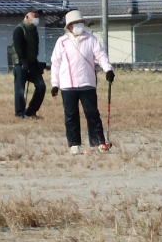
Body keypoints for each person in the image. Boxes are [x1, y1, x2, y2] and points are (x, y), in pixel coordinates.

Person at [49, 10, 114, 154]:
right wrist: (55, 84)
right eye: (76, 23)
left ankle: (98, 141)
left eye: (81, 23)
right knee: (71, 115)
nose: (79, 25)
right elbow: (56, 64)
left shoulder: (91, 39)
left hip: (87, 82)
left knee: (92, 113)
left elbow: (101, 55)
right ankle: (74, 144)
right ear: (70, 26)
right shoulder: (62, 42)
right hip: (68, 84)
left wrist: (108, 69)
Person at [11, 10, 46, 119]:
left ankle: (30, 111)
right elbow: (18, 48)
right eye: (34, 17)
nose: (37, 19)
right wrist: (23, 62)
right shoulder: (19, 29)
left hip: (32, 63)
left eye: (37, 17)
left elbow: (34, 50)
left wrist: (36, 64)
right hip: (20, 64)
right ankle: (19, 113)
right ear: (27, 17)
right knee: (20, 90)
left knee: (41, 86)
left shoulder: (34, 30)